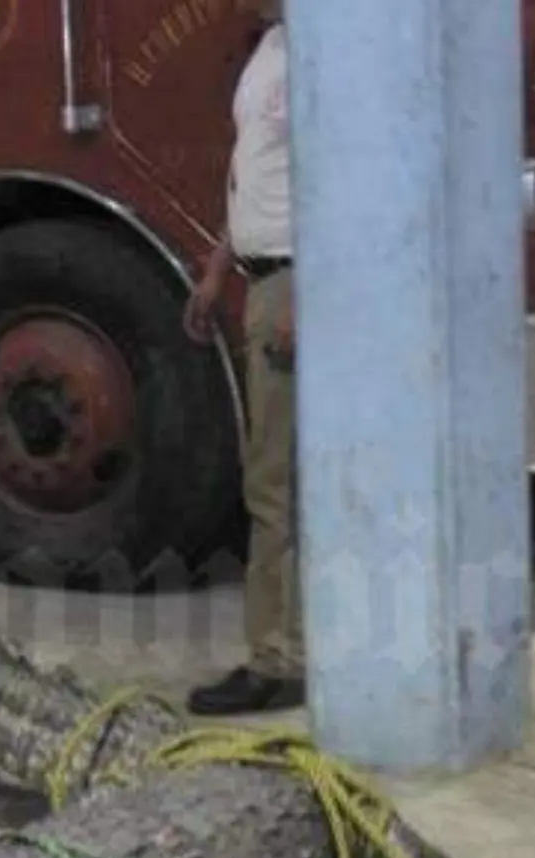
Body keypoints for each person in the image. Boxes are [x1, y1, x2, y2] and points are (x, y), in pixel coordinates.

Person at [182, 0, 306, 716]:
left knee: (273, 484)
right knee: (282, 479)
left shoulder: (316, 54)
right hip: (265, 278)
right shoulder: (270, 48)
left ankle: (276, 660)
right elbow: (257, 173)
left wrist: (304, 295)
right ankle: (289, 648)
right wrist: (216, 267)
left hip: (292, 282)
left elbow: (331, 181)